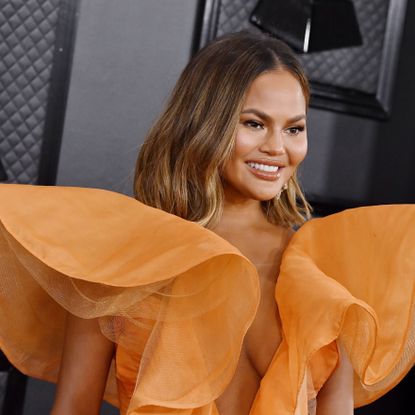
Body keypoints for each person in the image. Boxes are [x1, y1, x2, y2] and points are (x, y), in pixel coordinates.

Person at [0, 32, 413, 415]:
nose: (277, 148)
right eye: (254, 123)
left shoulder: (326, 269)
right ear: (204, 122)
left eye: (294, 129)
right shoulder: (121, 260)